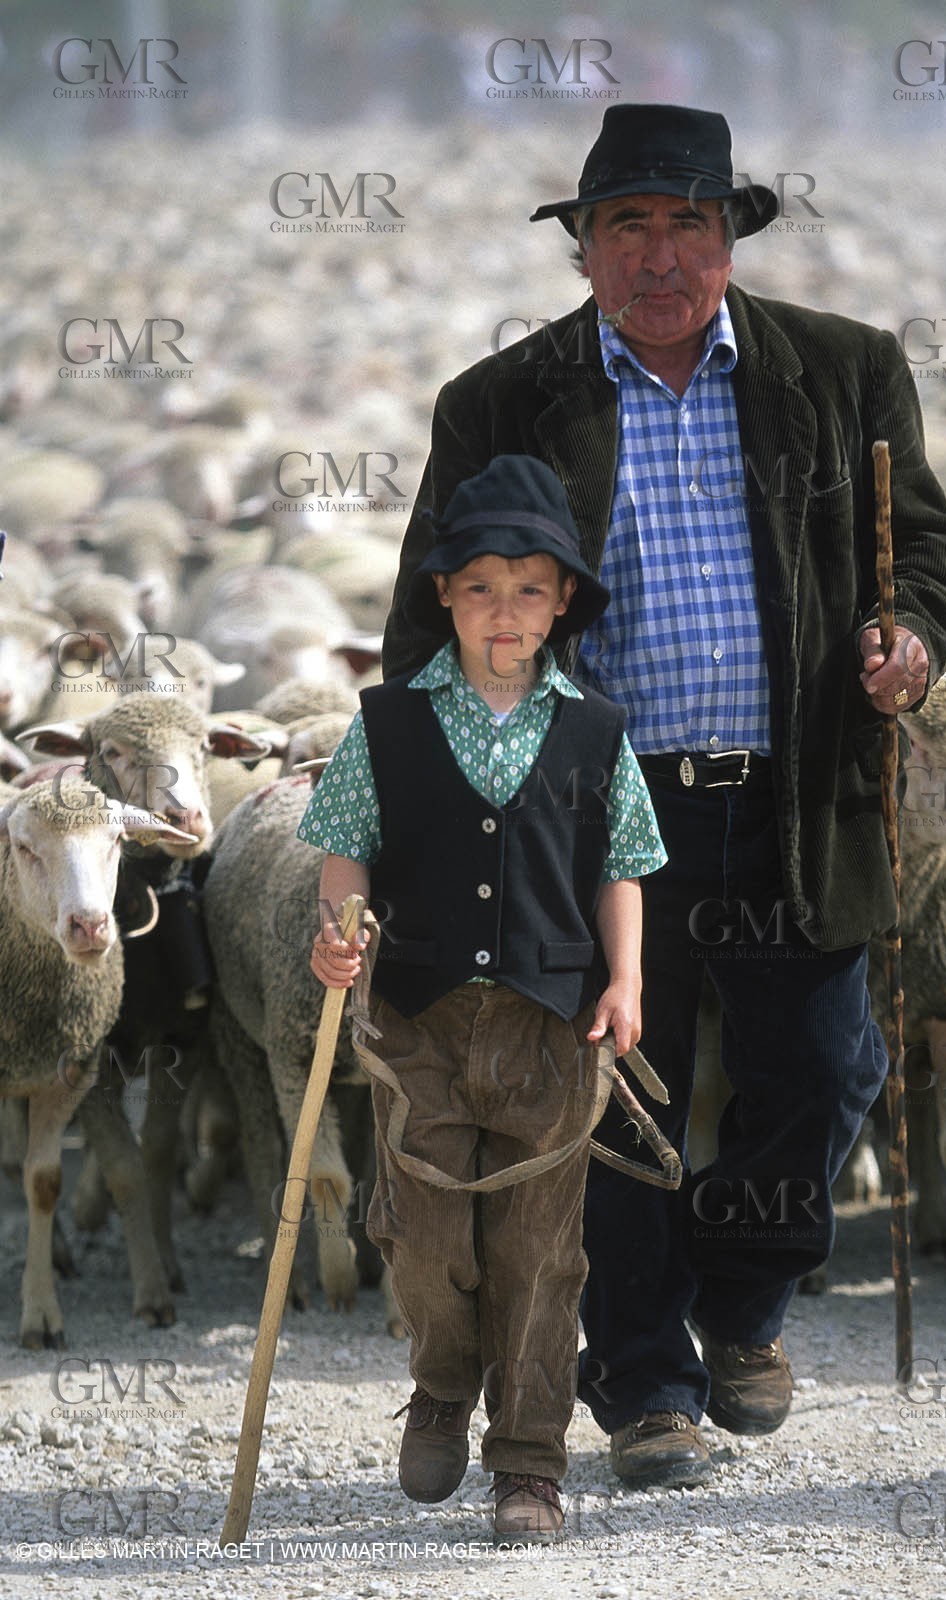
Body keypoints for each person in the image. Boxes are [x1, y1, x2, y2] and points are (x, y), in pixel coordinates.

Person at [381, 104, 946, 1488]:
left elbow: (920, 549)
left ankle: (744, 1301)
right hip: (594, 818)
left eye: (684, 223)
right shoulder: (500, 403)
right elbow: (428, 607)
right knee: (617, 1099)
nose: (656, 254)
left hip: (792, 795)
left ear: (728, 237)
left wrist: (909, 641)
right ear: (581, 247)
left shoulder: (840, 372)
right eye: (624, 226)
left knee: (828, 1069)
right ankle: (643, 1386)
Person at [299, 453, 667, 1542]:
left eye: (526, 588)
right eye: (478, 588)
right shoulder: (385, 723)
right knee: (423, 1235)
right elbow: (343, 852)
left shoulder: (596, 731)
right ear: (442, 597)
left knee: (539, 1251)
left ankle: (529, 1462)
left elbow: (622, 865)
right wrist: (337, 933)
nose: (502, 612)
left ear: (560, 602)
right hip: (415, 1021)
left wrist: (627, 978)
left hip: (550, 1026)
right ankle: (442, 1386)